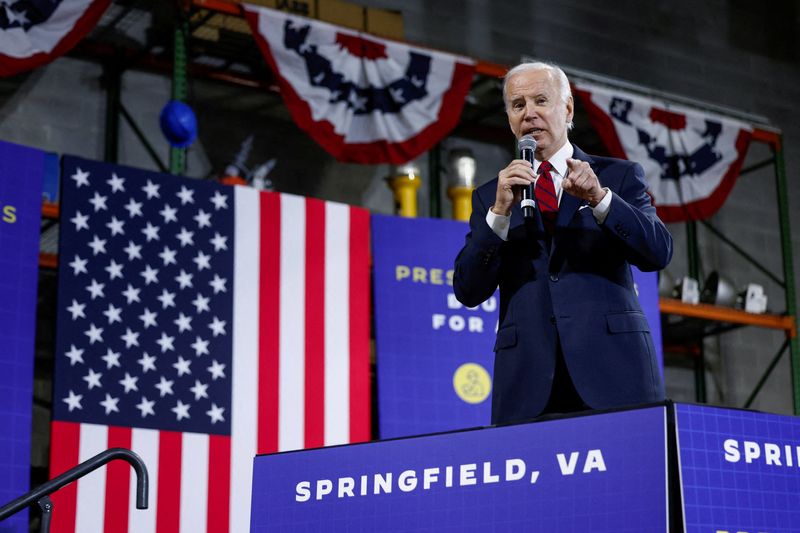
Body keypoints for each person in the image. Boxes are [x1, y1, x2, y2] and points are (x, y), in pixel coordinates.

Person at [453, 61, 673, 425]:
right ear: (509, 116)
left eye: (541, 100)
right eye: (518, 104)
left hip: (613, 373)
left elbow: (657, 252)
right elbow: (467, 289)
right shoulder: (491, 196)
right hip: (528, 385)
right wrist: (499, 214)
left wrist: (600, 199)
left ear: (567, 109)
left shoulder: (616, 176)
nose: (530, 114)